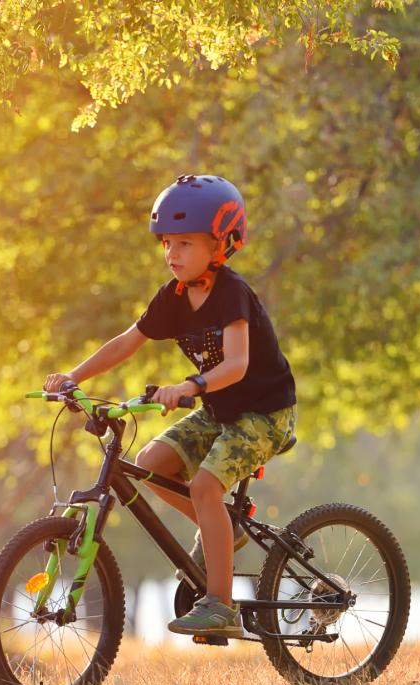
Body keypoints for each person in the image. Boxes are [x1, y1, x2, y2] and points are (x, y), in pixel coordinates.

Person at [43, 175, 297, 637]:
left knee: (203, 488)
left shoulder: (231, 294)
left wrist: (190, 385)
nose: (172, 253)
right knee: (151, 463)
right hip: (220, 410)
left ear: (221, 245)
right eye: (166, 243)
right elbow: (126, 342)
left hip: (264, 414)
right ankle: (225, 530)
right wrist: (74, 377)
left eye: (185, 243)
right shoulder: (173, 297)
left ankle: (221, 606)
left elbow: (237, 364)